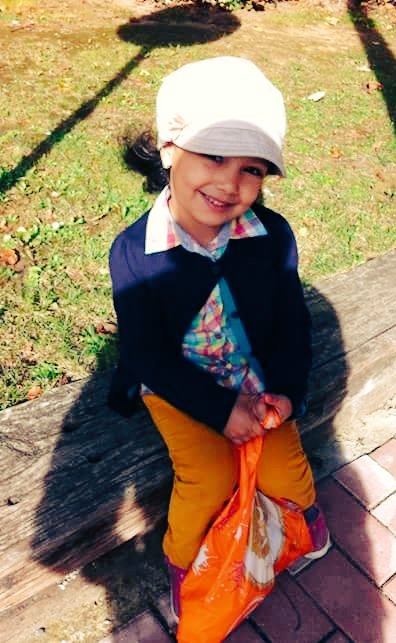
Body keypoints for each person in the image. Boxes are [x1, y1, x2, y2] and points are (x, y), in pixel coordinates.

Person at [108, 56, 330, 623]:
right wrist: (217, 408)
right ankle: (187, 567)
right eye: (213, 156)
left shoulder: (271, 236)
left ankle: (305, 523)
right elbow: (146, 354)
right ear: (168, 150)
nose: (230, 183)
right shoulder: (134, 252)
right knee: (208, 477)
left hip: (256, 377)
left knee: (286, 466)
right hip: (177, 384)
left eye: (251, 168)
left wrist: (286, 392)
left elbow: (291, 322)